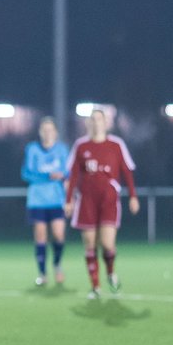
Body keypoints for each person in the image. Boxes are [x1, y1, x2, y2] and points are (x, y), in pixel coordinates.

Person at [64, 108, 139, 299]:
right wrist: (69, 199)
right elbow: (73, 175)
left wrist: (133, 196)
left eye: (100, 119)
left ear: (106, 123)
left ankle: (111, 273)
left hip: (109, 200)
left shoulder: (116, 144)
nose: (96, 122)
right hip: (87, 201)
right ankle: (96, 287)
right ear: (88, 123)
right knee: (90, 245)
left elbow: (127, 171)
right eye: (93, 119)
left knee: (107, 243)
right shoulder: (81, 146)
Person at [21, 116, 70, 286]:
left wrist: (66, 185)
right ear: (40, 132)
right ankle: (42, 273)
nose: (48, 133)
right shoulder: (32, 149)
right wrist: (47, 176)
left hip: (57, 199)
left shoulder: (62, 150)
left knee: (58, 235)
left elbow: (70, 173)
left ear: (56, 132)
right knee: (40, 236)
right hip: (37, 200)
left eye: (51, 130)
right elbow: (26, 174)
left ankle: (57, 264)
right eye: (45, 130)